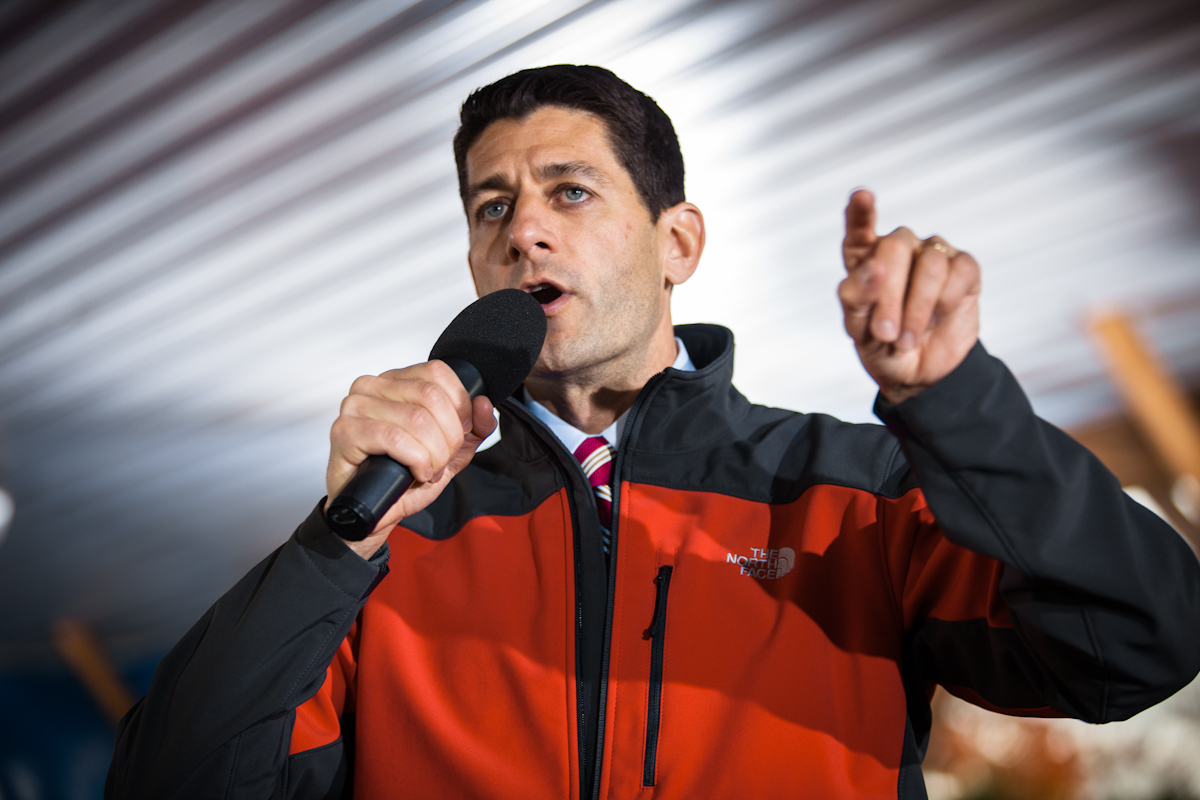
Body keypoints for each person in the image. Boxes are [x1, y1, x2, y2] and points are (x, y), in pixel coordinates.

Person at [106, 65, 1200, 799]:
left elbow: (1139, 643)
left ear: (677, 241)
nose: (522, 226)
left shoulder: (851, 490)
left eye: (568, 191)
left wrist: (957, 401)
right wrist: (331, 543)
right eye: (491, 208)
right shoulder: (389, 544)